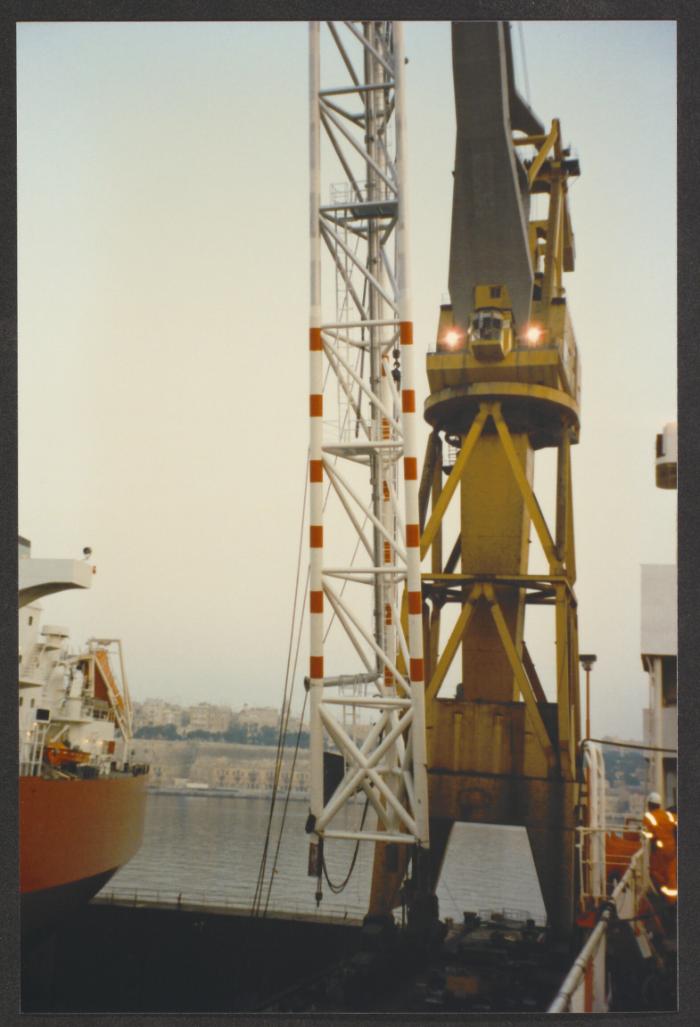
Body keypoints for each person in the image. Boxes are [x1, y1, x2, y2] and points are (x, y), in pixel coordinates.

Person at [641, 792, 677, 903]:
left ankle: (662, 900)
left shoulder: (648, 817)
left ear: (649, 805)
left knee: (656, 873)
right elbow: (676, 824)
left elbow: (647, 835)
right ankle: (673, 902)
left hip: (659, 852)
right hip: (672, 850)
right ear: (659, 805)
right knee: (671, 875)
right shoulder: (668, 815)